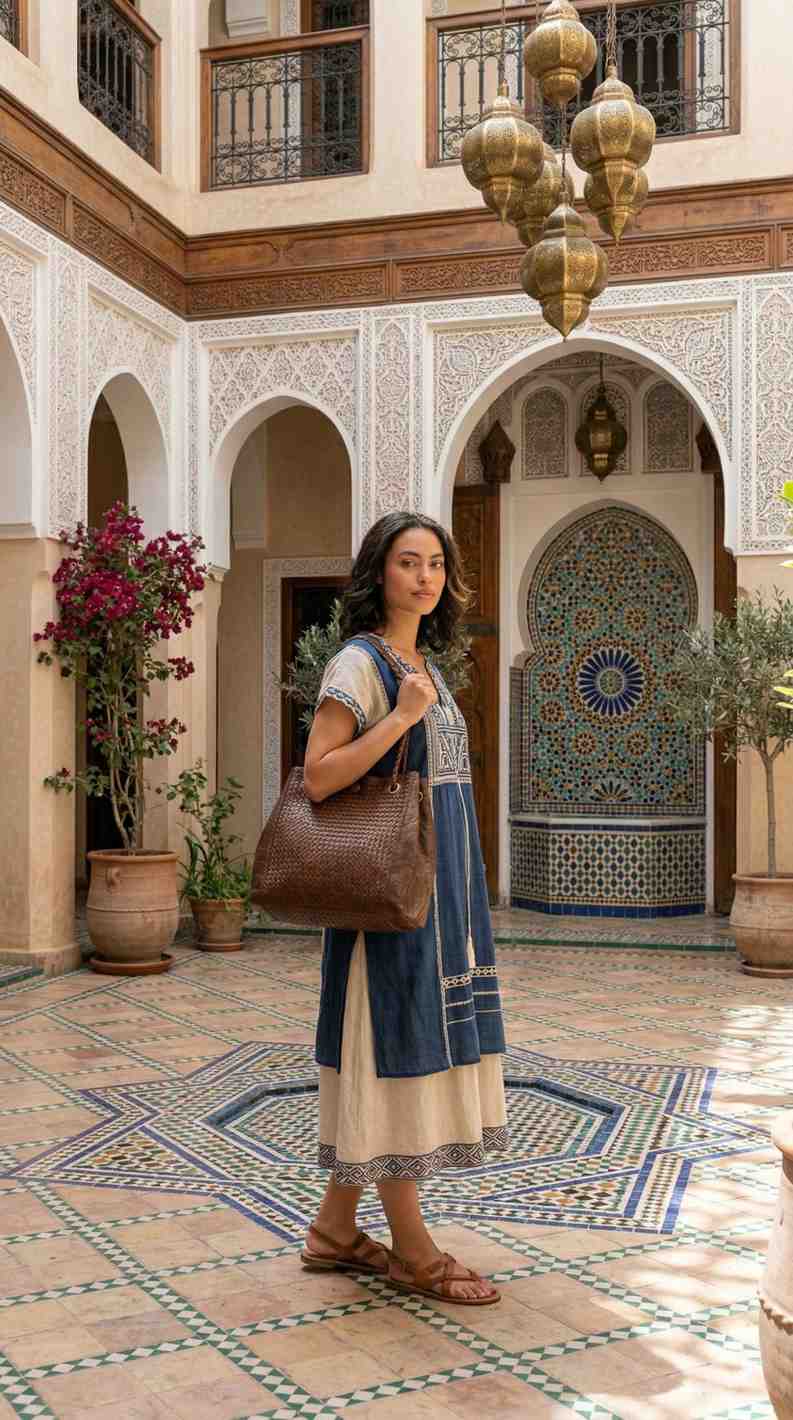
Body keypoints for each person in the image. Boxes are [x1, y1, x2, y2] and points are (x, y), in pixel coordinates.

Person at [301, 512, 508, 1306]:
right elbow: (318, 777)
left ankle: (333, 1231)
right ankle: (413, 1249)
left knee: (409, 1042)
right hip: (389, 901)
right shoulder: (360, 664)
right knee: (391, 1048)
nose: (423, 577)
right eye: (406, 562)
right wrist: (400, 715)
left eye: (434, 564)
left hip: (439, 895)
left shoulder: (420, 661)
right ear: (377, 574)